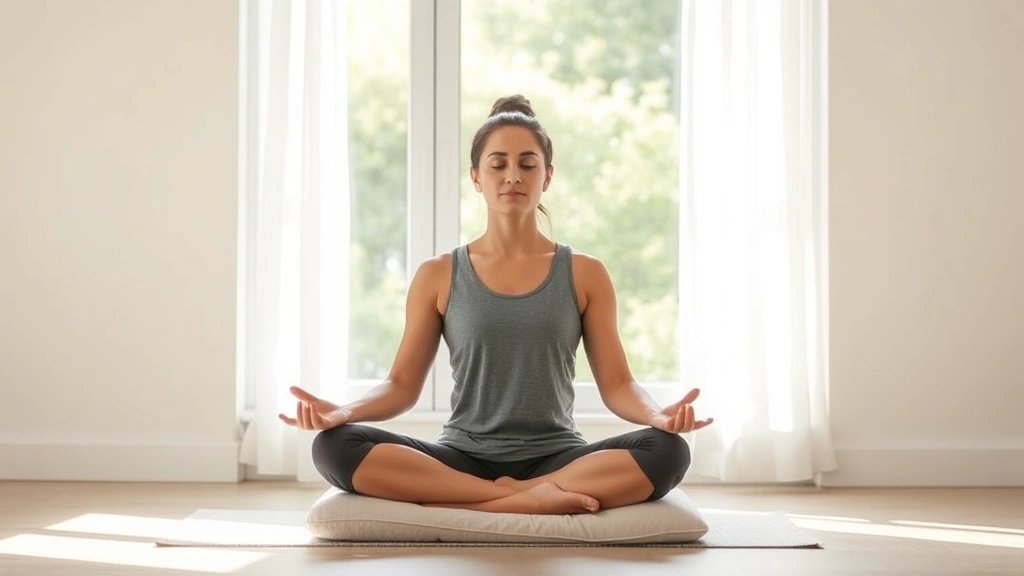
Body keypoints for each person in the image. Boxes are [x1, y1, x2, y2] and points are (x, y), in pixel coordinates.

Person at [279, 95, 713, 515]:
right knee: (334, 446)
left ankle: (491, 495)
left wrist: (657, 415)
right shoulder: (438, 274)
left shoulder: (585, 272)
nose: (513, 176)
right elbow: (401, 386)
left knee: (668, 451)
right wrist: (342, 412)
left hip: (558, 457)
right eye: (498, 164)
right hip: (462, 455)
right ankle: (524, 501)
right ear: (476, 178)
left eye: (528, 164)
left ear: (547, 177)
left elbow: (618, 384)